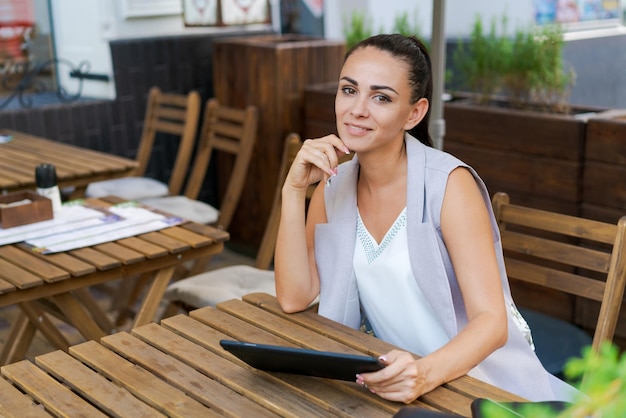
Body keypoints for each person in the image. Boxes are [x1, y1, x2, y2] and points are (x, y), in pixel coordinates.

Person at [274, 33, 578, 404]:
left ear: (415, 113)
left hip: (482, 386)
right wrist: (292, 191)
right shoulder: (333, 187)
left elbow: (492, 323)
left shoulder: (449, 186)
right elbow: (294, 296)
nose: (357, 109)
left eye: (381, 97)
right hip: (398, 385)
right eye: (349, 90)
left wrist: (423, 375)